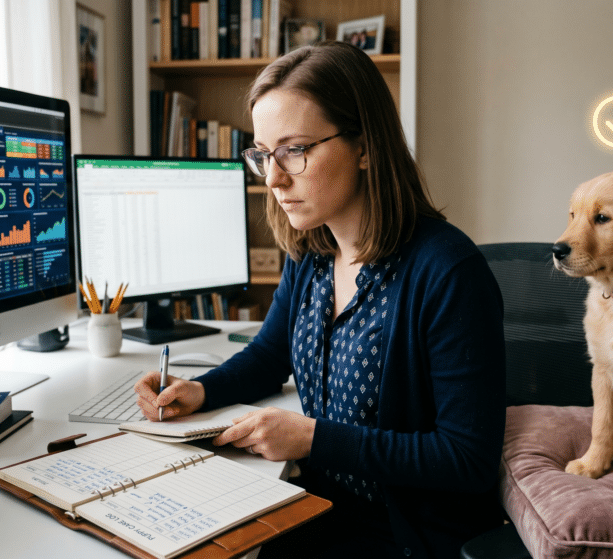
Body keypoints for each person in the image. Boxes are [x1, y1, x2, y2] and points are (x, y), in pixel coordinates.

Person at [134, 41, 506, 558]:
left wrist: (314, 439)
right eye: (263, 155)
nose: (274, 178)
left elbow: (467, 459)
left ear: (365, 146)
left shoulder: (447, 271)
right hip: (319, 506)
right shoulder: (312, 250)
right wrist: (199, 392)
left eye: (295, 150)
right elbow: (268, 357)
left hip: (402, 537)